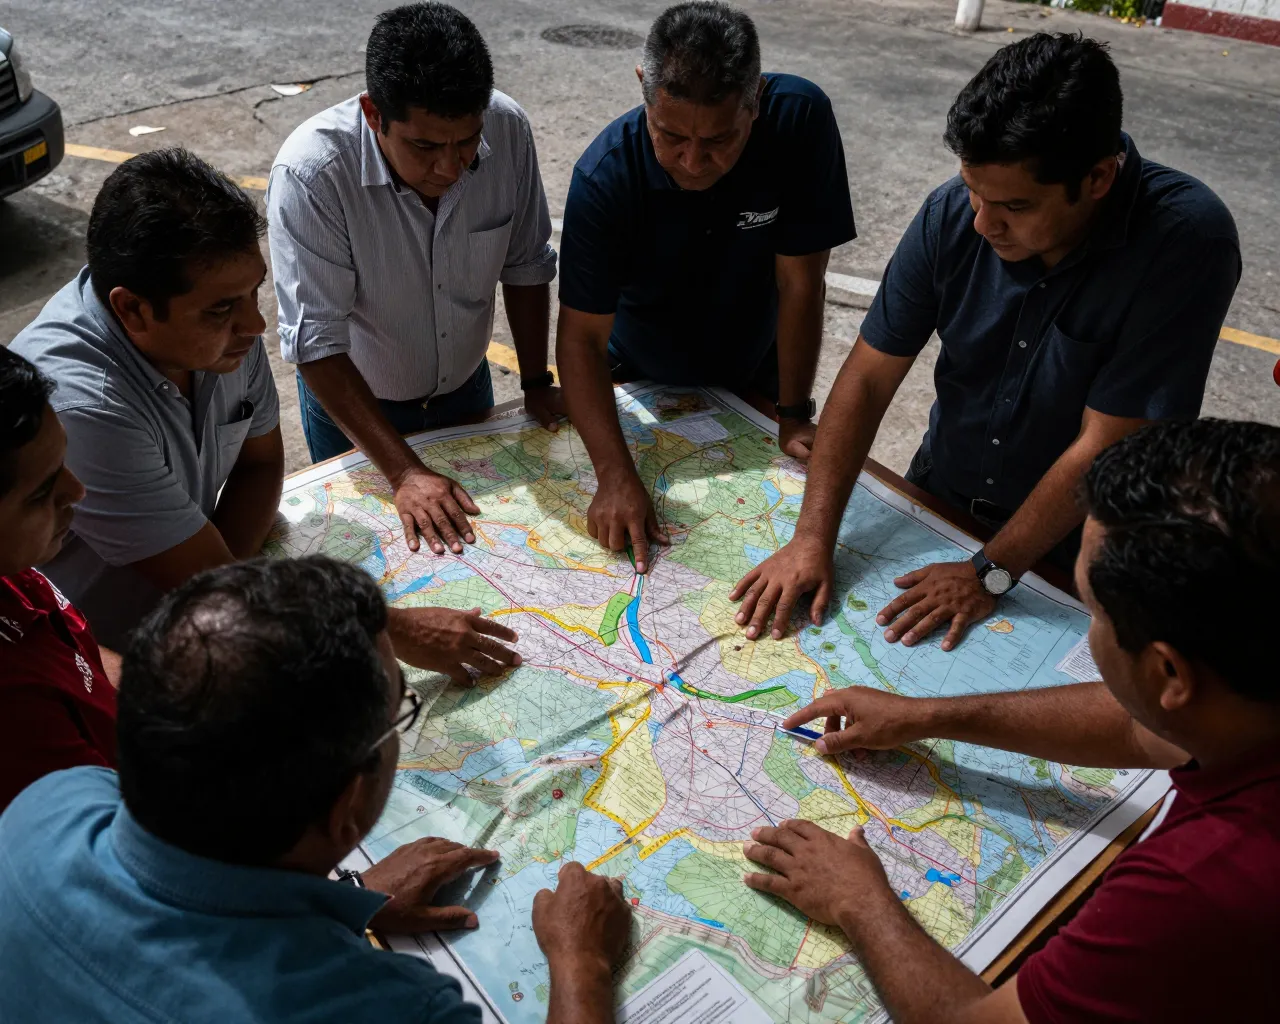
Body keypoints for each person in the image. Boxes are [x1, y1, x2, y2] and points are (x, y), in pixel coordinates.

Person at [741, 418, 1280, 1022]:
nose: (1091, 634)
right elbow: (1139, 728)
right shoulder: (1245, 702)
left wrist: (857, 902)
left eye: (1095, 615)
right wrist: (925, 716)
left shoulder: (1193, 888)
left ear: (1170, 675)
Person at [732, 32, 1240, 647]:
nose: (982, 221)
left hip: (1079, 548)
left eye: (1015, 206)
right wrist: (811, 538)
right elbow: (868, 377)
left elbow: (1107, 445)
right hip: (942, 495)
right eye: (974, 190)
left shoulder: (1185, 241)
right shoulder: (953, 214)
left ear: (1100, 177)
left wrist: (990, 573)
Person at [0, 556, 633, 1023]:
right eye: (399, 715)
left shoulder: (43, 806)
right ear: (346, 806)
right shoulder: (389, 1008)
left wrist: (350, 895)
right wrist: (582, 964)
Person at [12, 148, 516, 682]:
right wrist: (392, 629)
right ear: (133, 309)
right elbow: (207, 577)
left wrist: (228, 584)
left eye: (254, 292)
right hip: (97, 662)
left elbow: (259, 466)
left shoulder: (221, 332)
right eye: (222, 308)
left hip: (187, 618)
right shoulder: (81, 405)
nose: (256, 325)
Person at [555, 1, 855, 572]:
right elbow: (580, 342)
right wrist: (615, 475)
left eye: (720, 139)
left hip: (754, 370)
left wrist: (793, 412)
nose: (693, 162)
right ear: (644, 86)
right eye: (669, 136)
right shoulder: (605, 178)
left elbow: (801, 281)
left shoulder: (800, 120)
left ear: (757, 98)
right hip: (636, 369)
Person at [269, 2, 561, 559]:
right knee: (387, 567)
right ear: (373, 113)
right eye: (425, 147)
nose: (450, 168)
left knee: (489, 555)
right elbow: (315, 343)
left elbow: (525, 264)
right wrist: (402, 471)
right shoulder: (310, 174)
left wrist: (534, 381)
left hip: (467, 389)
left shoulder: (508, 128)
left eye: (466, 143)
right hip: (356, 412)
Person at [0, 349, 118, 813]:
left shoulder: (14, 564)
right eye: (42, 492)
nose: (77, 490)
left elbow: (83, 664)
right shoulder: (13, 720)